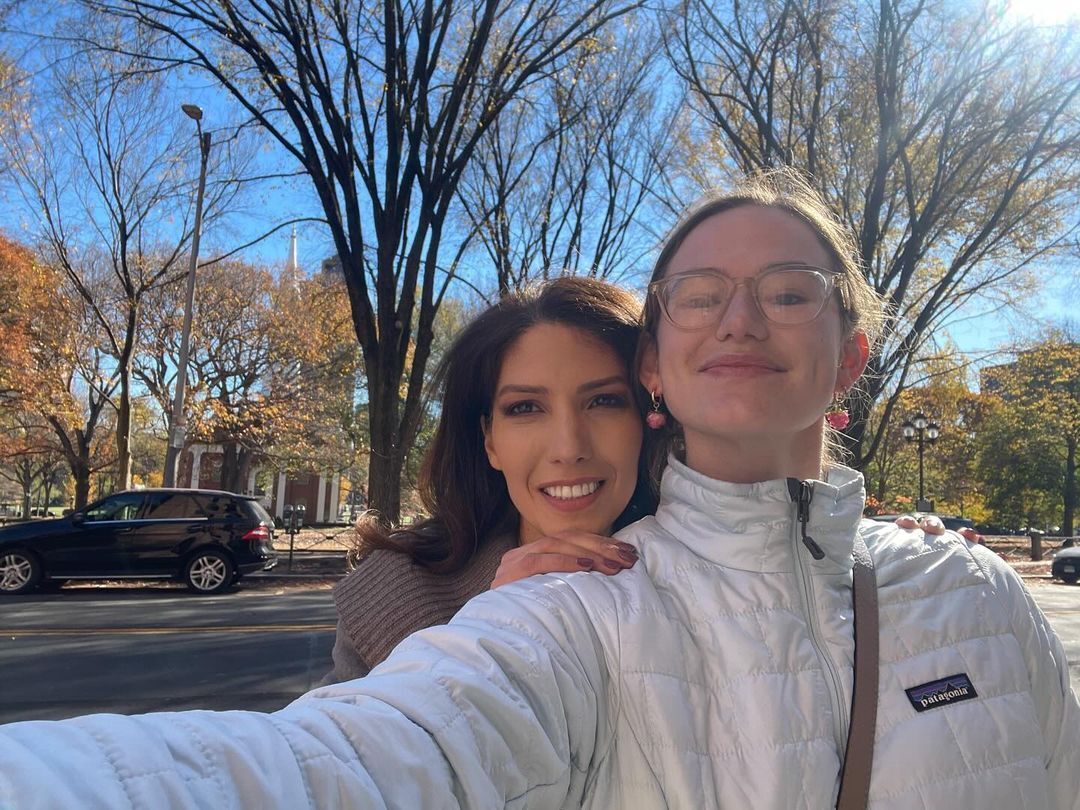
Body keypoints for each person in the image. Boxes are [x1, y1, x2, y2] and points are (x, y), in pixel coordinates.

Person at [2, 172, 1077, 809]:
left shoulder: (972, 597)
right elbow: (337, 761)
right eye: (702, 295)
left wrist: (906, 555)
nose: (742, 319)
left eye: (790, 293)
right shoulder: (550, 612)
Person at [324, 277, 655, 680]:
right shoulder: (394, 595)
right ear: (489, 440)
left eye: (604, 401)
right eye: (526, 408)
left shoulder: (713, 577)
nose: (569, 448)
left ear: (647, 418)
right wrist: (488, 629)